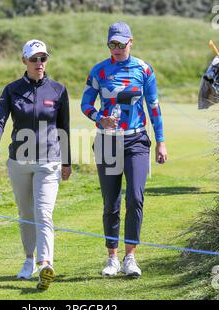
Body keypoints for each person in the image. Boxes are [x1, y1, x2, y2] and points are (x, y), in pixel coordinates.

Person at [81, 22, 167, 277]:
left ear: (131, 41)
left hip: (136, 141)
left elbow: (154, 106)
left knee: (136, 198)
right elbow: (85, 103)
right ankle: (112, 258)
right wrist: (99, 118)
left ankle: (131, 257)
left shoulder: (144, 69)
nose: (116, 49)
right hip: (107, 140)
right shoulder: (99, 71)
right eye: (112, 44)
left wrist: (161, 141)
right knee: (111, 202)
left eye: (121, 43)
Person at [0, 39, 72, 290]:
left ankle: (46, 264)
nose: (39, 63)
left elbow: (63, 128)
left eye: (43, 58)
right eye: (34, 59)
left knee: (43, 213)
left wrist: (67, 162)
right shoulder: (12, 89)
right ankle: (29, 260)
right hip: (19, 162)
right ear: (24, 60)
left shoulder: (58, 90)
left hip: (49, 161)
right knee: (26, 214)